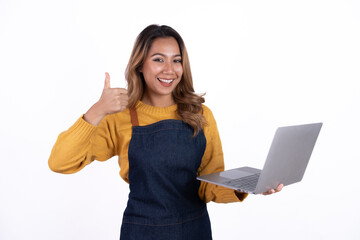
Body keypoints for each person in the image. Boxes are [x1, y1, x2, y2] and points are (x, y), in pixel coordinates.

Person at [48, 24, 283, 240]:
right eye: (159, 59)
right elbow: (60, 162)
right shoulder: (120, 117)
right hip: (142, 232)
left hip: (195, 230)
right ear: (140, 64)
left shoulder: (201, 115)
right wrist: (96, 111)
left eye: (176, 60)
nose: (169, 70)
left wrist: (245, 186)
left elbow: (208, 183)